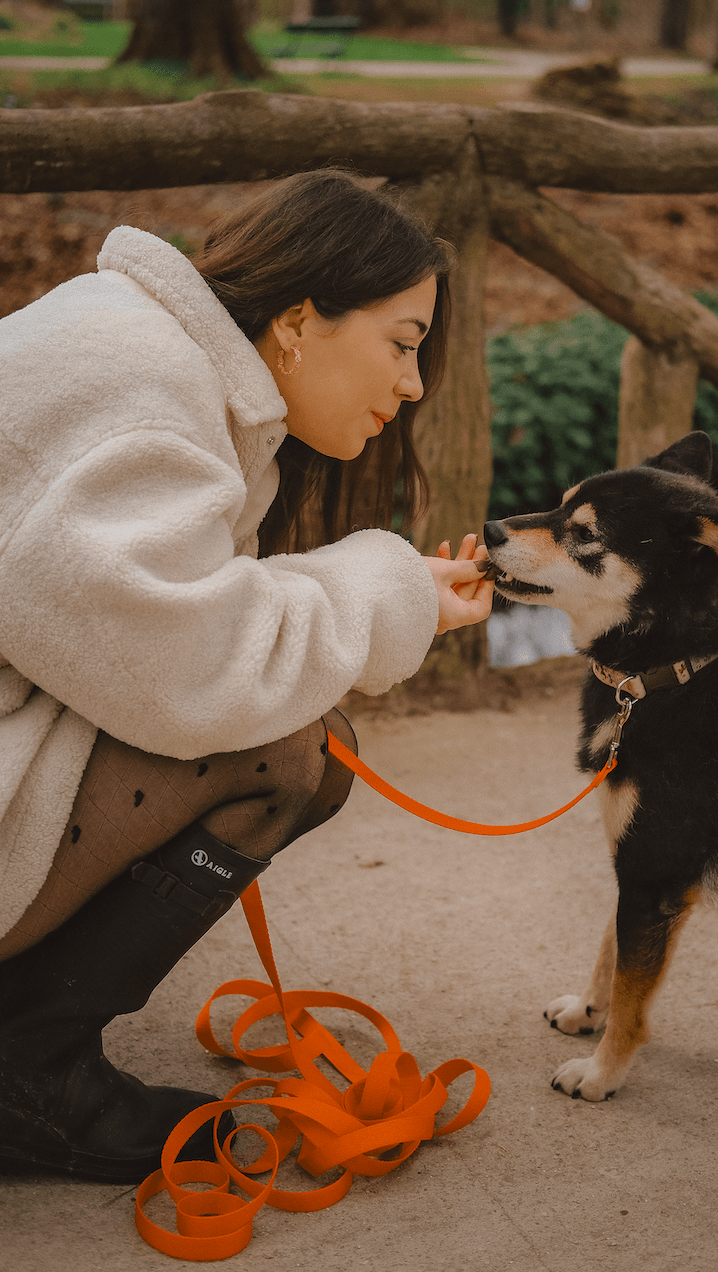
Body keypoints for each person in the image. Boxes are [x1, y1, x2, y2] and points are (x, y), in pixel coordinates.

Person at [0, 170, 495, 1183]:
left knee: (299, 736)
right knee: (285, 750)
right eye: (403, 343)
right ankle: (25, 1074)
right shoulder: (153, 399)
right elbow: (196, 670)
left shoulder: (142, 349)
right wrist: (388, 588)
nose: (411, 384)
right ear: (301, 319)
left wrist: (394, 589)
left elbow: (145, 621)